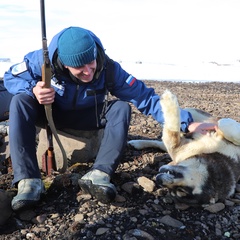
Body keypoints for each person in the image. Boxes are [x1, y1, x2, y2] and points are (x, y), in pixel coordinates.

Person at [4, 26, 213, 211]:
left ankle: (100, 174)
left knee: (121, 107)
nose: (88, 72)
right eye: (80, 68)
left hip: (89, 118)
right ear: (65, 65)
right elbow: (10, 76)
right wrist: (33, 89)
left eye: (91, 63)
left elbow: (146, 98)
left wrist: (187, 123)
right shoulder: (41, 61)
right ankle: (28, 181)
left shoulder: (109, 68)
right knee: (20, 101)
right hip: (50, 114)